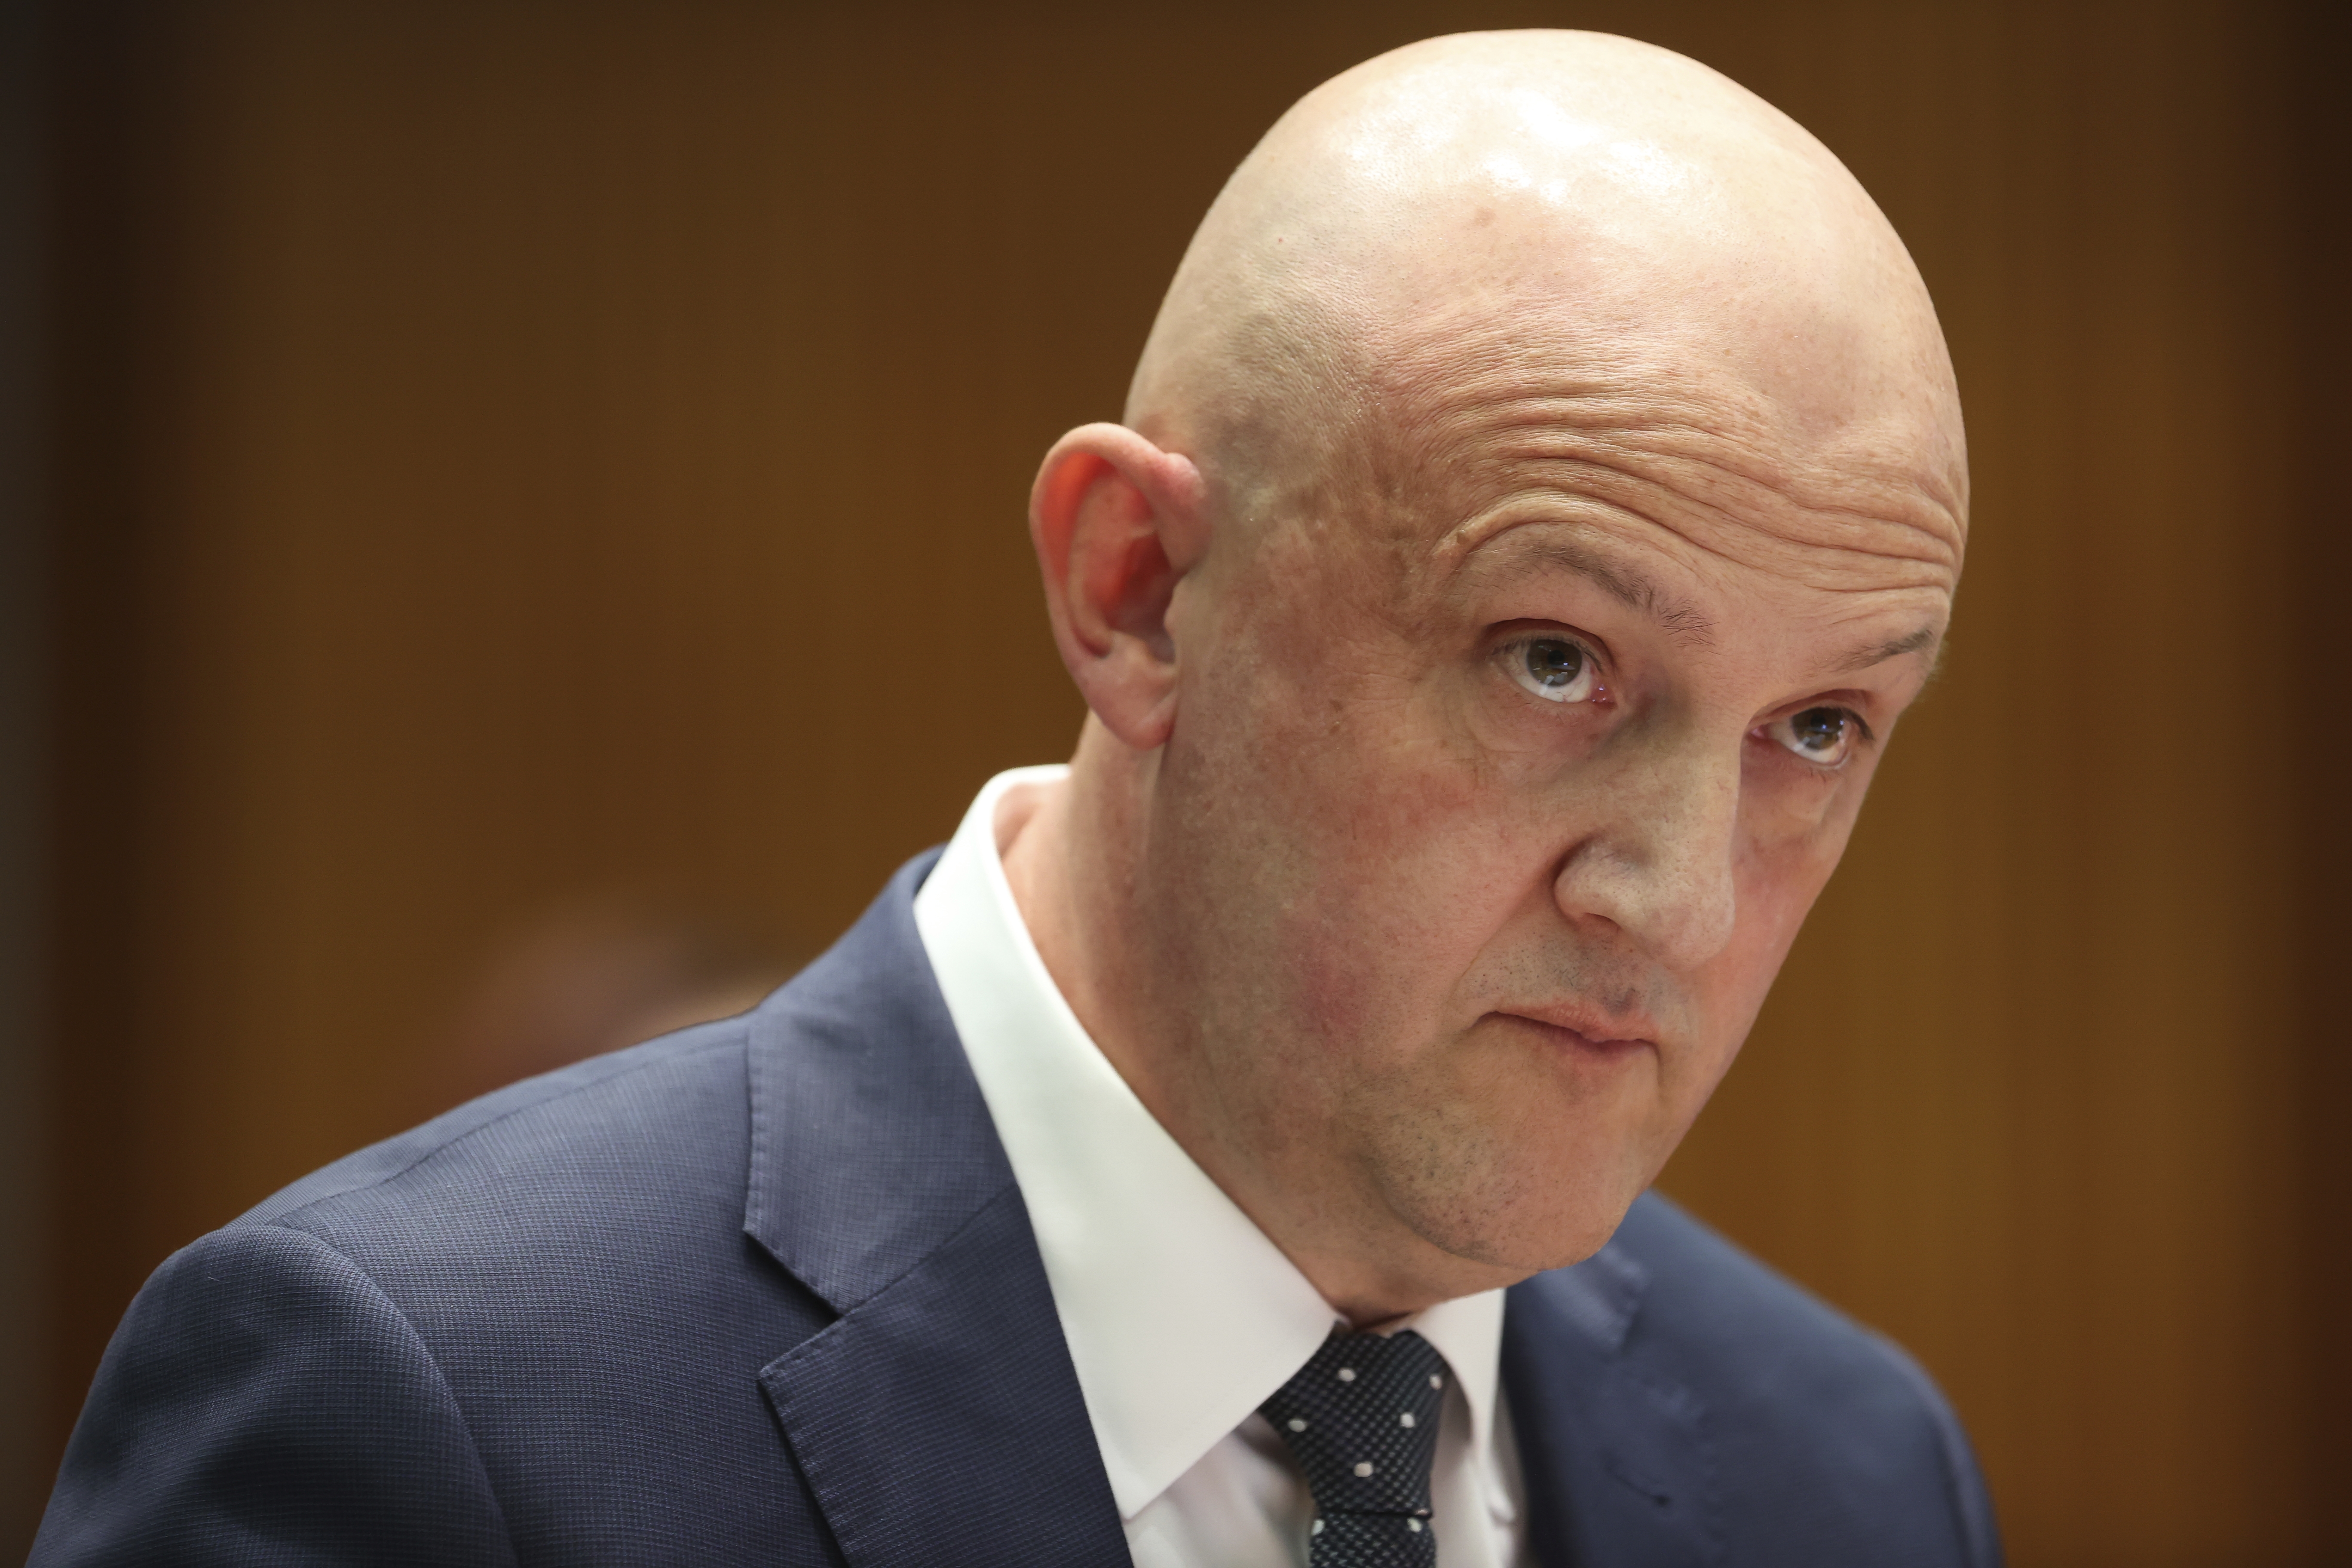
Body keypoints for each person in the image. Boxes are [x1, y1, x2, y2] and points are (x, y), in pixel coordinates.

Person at [32, 29, 1995, 1568]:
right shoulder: (424, 1415)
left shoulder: (1848, 1472)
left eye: (1817, 729)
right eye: (1555, 660)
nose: (1685, 899)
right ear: (1136, 591)